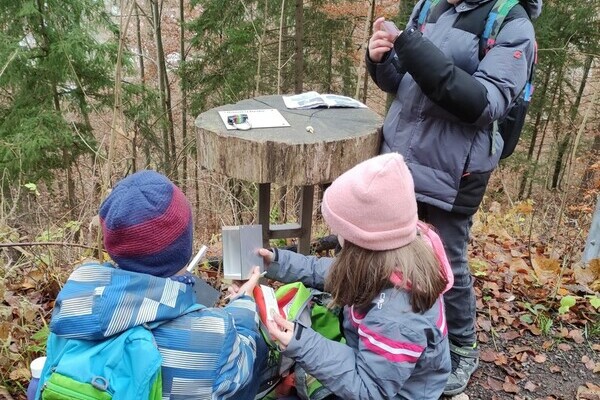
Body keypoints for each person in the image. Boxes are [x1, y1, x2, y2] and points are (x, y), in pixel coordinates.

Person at [365, 0, 541, 395]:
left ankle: (463, 346)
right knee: (392, 244)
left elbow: (482, 103)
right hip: (402, 154)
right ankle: (394, 322)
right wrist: (380, 60)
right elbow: (402, 82)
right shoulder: (431, 6)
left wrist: (410, 46)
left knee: (447, 262)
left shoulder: (512, 24)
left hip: (455, 168)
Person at [44, 170, 265, 399]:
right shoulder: (215, 334)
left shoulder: (73, 304)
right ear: (185, 243)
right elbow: (242, 369)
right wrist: (244, 306)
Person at [255, 153, 454, 399]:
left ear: (361, 242)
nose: (336, 234)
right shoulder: (393, 255)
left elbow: (370, 390)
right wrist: (276, 261)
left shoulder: (396, 320)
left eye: (339, 229)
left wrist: (301, 342)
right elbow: (331, 272)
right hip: (370, 359)